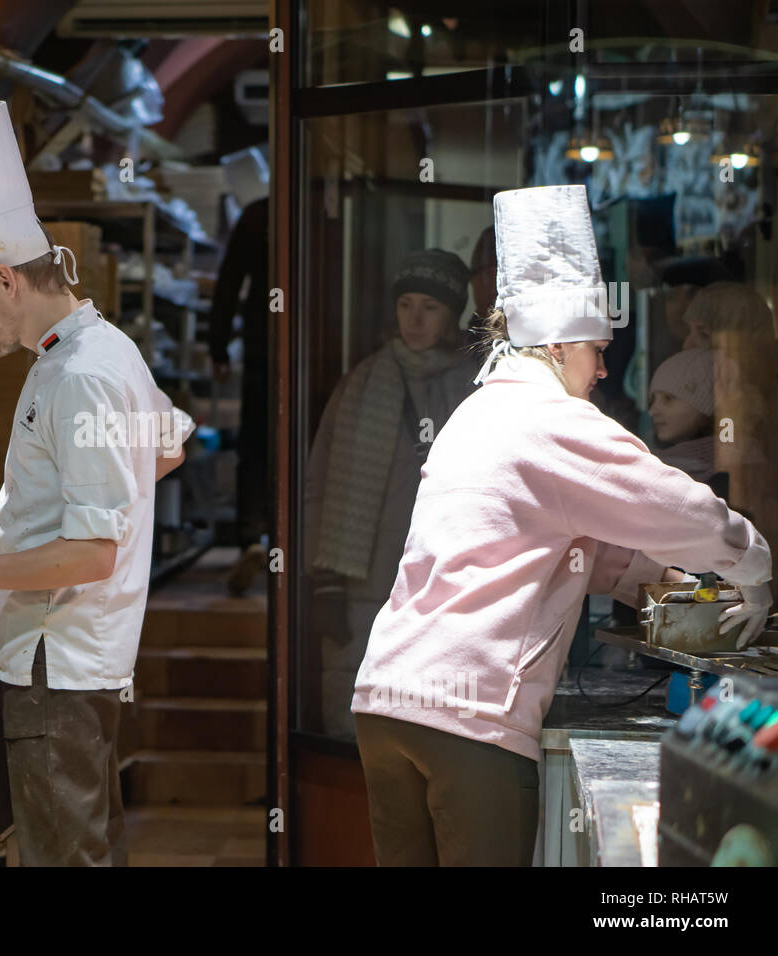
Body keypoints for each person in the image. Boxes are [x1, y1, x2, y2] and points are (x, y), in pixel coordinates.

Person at [351, 185, 773, 866]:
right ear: (561, 344)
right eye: (598, 349)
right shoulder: (554, 419)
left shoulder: (480, 411)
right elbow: (676, 505)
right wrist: (754, 565)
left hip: (386, 701)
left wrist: (650, 579)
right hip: (470, 713)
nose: (605, 368)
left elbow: (556, 540)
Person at [0, 101, 195, 866]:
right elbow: (167, 447)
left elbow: (91, 552)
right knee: (82, 850)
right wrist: (39, 522)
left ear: (5, 279)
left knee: (66, 858)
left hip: (56, 666)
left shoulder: (79, 376)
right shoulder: (98, 348)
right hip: (77, 662)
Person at [304, 248, 477, 741]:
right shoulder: (362, 383)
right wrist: (325, 582)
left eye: (430, 306)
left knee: (430, 717)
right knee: (354, 714)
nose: (415, 319)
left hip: (444, 578)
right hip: (361, 581)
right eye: (406, 305)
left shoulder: (474, 384)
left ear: (452, 313)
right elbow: (319, 483)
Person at [208, 195, 270, 595]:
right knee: (305, 441)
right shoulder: (317, 206)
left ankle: (251, 537)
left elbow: (229, 281)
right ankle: (290, 539)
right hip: (315, 348)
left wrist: (218, 347)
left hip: (262, 343)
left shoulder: (257, 214)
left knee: (255, 442)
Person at [648, 347, 722, 492]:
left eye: (668, 399)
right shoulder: (665, 461)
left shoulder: (731, 466)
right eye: (653, 400)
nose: (652, 411)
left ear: (707, 403)